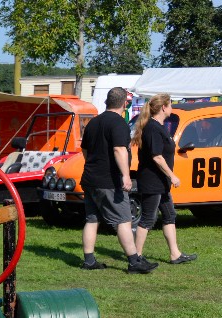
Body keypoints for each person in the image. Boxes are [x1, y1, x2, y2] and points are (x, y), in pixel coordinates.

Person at [79, 87, 156, 274]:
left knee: (92, 219)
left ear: (107, 101)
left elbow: (85, 150)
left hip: (90, 178)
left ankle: (89, 260)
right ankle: (133, 262)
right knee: (123, 220)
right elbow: (119, 150)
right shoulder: (119, 123)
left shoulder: (93, 123)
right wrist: (126, 175)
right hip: (109, 181)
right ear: (124, 103)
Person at [131, 93, 197, 266]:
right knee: (147, 218)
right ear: (163, 107)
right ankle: (136, 256)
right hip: (152, 181)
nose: (172, 108)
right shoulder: (152, 128)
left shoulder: (159, 126)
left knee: (169, 215)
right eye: (171, 105)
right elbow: (157, 157)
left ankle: (175, 254)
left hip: (161, 183)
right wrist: (172, 175)